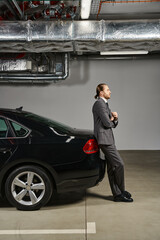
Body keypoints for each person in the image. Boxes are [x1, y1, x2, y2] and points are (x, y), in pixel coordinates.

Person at [92, 83, 133, 202]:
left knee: (111, 168)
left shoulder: (104, 104)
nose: (110, 92)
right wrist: (113, 118)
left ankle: (117, 195)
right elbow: (107, 123)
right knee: (119, 164)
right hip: (105, 140)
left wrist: (114, 119)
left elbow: (111, 124)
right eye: (108, 90)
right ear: (101, 92)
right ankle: (122, 190)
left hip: (107, 139)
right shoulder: (100, 104)